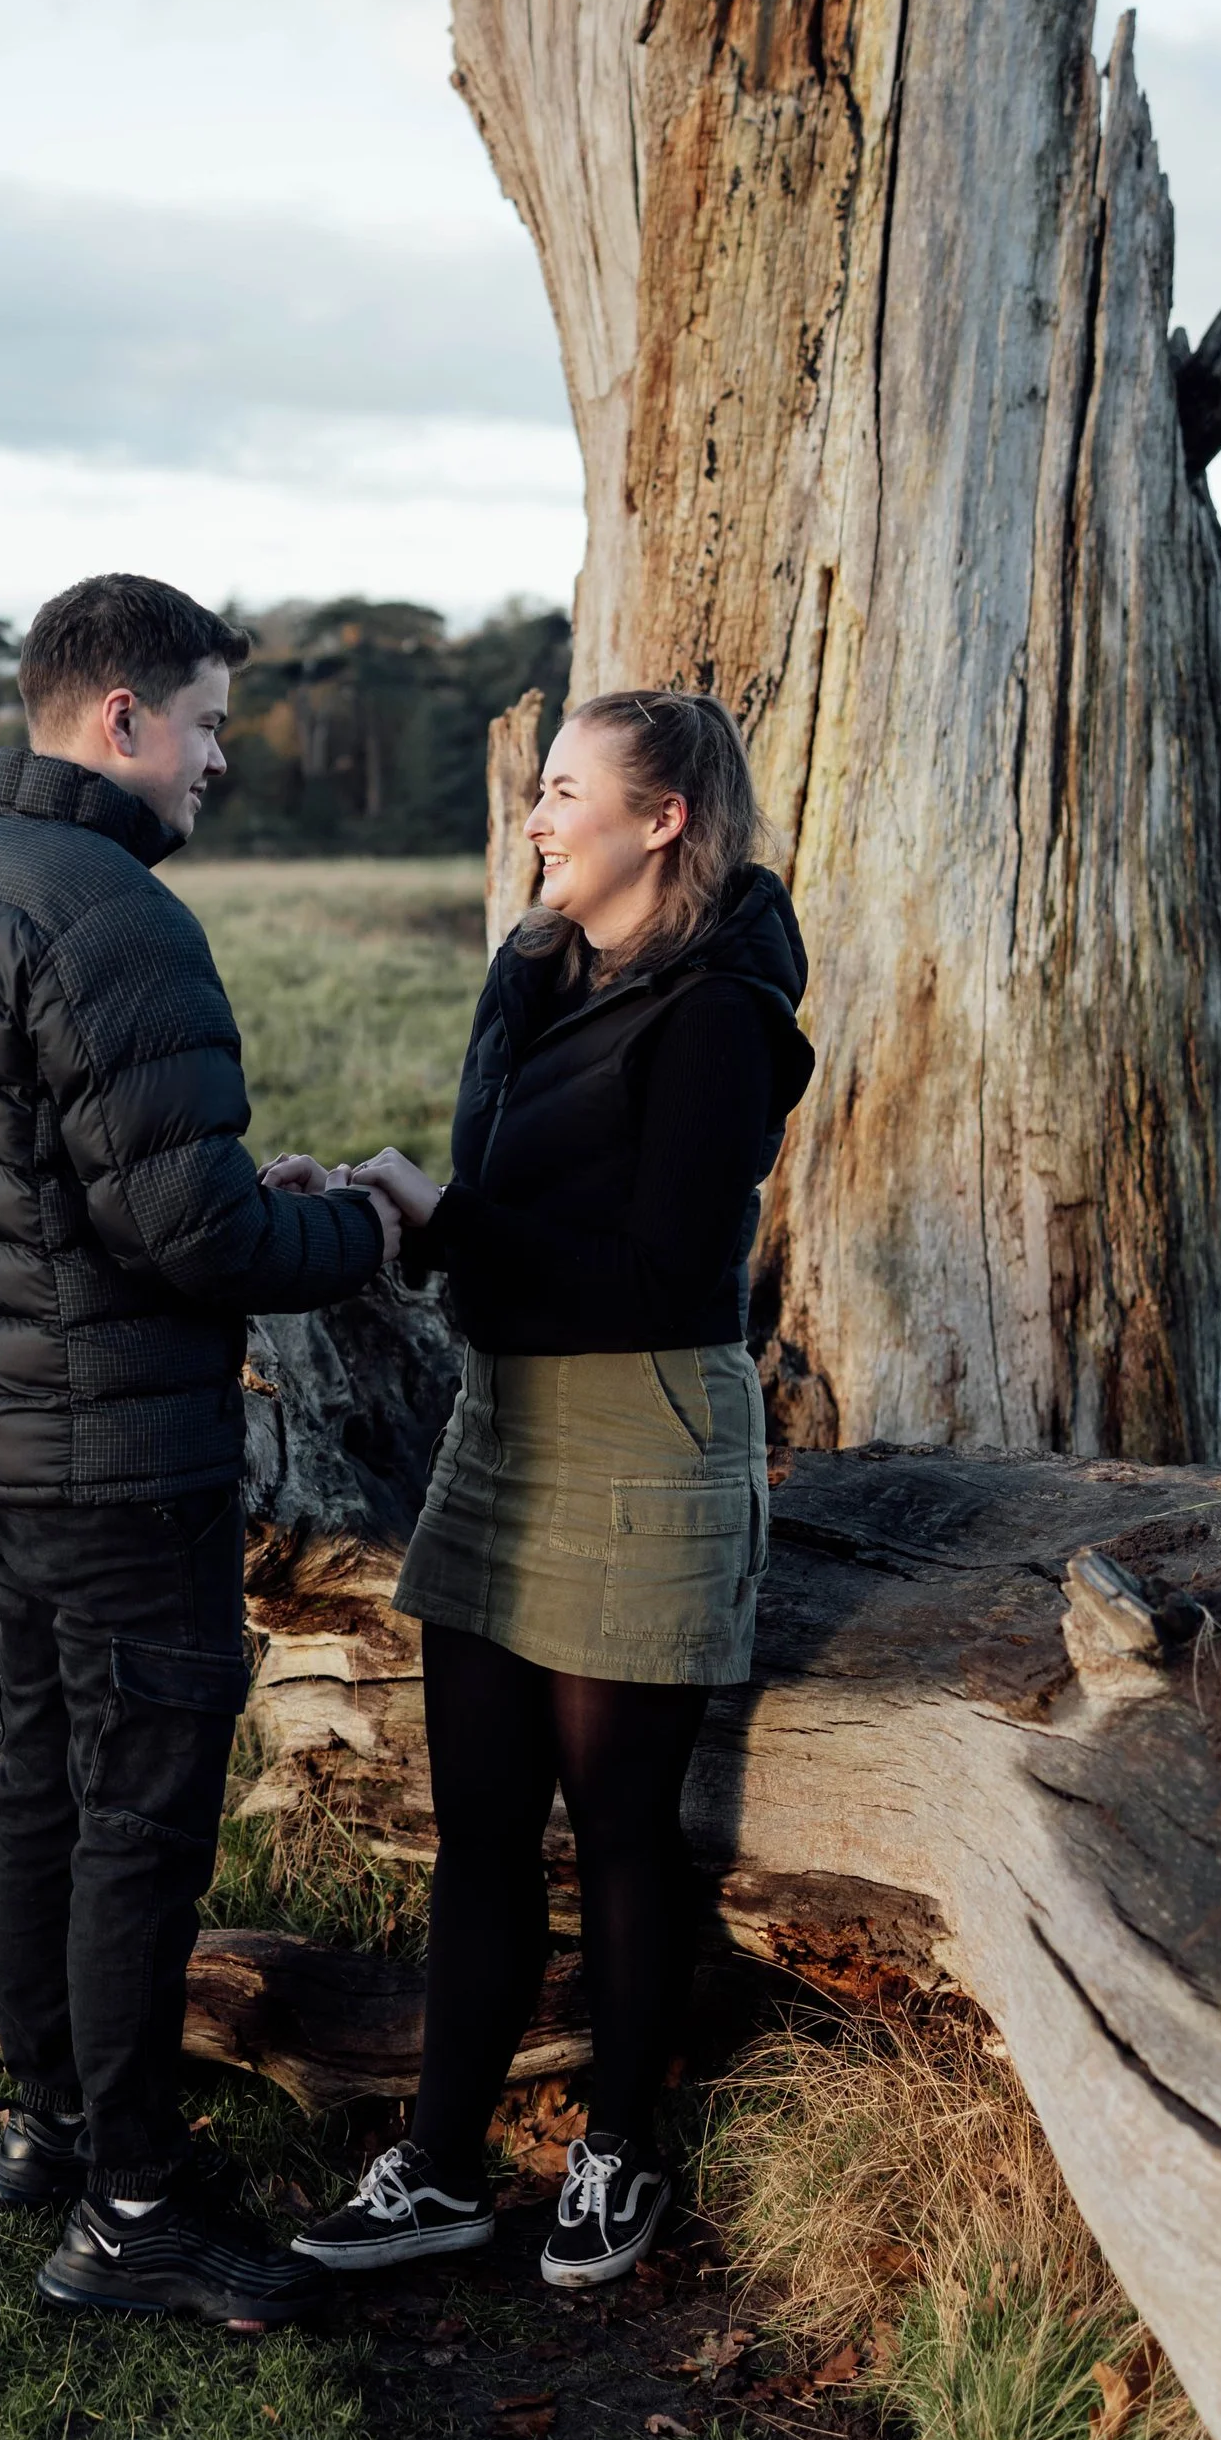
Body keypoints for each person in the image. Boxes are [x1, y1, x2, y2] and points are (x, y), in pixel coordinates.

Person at [0, 572, 398, 2326]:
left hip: (6, 1435)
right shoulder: (112, 920)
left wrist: (254, 1188)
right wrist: (376, 1233)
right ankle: (134, 2209)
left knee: (46, 1784)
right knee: (142, 1828)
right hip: (119, 1449)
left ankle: (48, 2123)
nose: (218, 763)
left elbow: (62, 1190)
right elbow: (198, 1244)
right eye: (210, 726)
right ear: (122, 720)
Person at [283, 691, 813, 2288]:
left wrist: (454, 1218)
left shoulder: (722, 1009)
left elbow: (661, 1273)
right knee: (484, 1827)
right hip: (501, 1416)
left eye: (566, 790)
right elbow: (502, 1209)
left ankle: (617, 2153)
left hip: (643, 1420)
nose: (535, 814)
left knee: (626, 1834)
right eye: (536, 787)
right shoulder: (532, 969)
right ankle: (439, 2169)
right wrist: (397, 1208)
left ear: (661, 822)